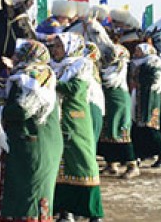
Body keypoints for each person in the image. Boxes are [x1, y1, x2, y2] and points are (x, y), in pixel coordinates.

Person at [0, 39, 64, 222]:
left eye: (19, 54)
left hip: (34, 145)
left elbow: (22, 109)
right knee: (30, 194)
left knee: (31, 196)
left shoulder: (31, 77)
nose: (14, 57)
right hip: (38, 142)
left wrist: (1, 110)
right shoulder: (39, 73)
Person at [48, 33, 104, 222]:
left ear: (71, 48)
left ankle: (94, 213)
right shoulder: (53, 67)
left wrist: (48, 81)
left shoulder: (82, 65)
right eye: (54, 46)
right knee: (60, 166)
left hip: (76, 122)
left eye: (58, 46)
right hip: (58, 120)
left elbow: (74, 89)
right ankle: (66, 211)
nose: (54, 50)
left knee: (83, 163)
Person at [96, 44, 140, 178]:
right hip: (108, 100)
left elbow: (109, 80)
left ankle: (132, 165)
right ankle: (111, 164)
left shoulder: (120, 67)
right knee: (108, 132)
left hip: (119, 101)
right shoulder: (106, 68)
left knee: (121, 133)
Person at [130, 43, 161, 167]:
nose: (136, 52)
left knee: (151, 126)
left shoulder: (153, 61)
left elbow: (154, 79)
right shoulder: (136, 62)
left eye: (139, 50)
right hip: (138, 96)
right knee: (138, 128)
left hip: (150, 97)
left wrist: (140, 80)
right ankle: (141, 154)